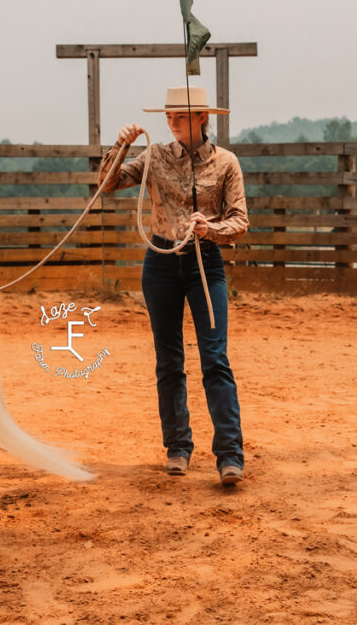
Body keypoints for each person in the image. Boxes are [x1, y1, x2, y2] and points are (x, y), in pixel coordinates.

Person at [97, 86, 248, 487]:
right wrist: (120, 145)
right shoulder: (154, 156)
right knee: (169, 359)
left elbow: (240, 221)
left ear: (201, 118)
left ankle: (230, 455)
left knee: (215, 358)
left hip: (205, 264)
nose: (171, 122)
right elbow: (107, 184)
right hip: (160, 263)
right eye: (168, 116)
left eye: (179, 116)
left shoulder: (226, 163)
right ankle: (177, 447)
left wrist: (212, 228)